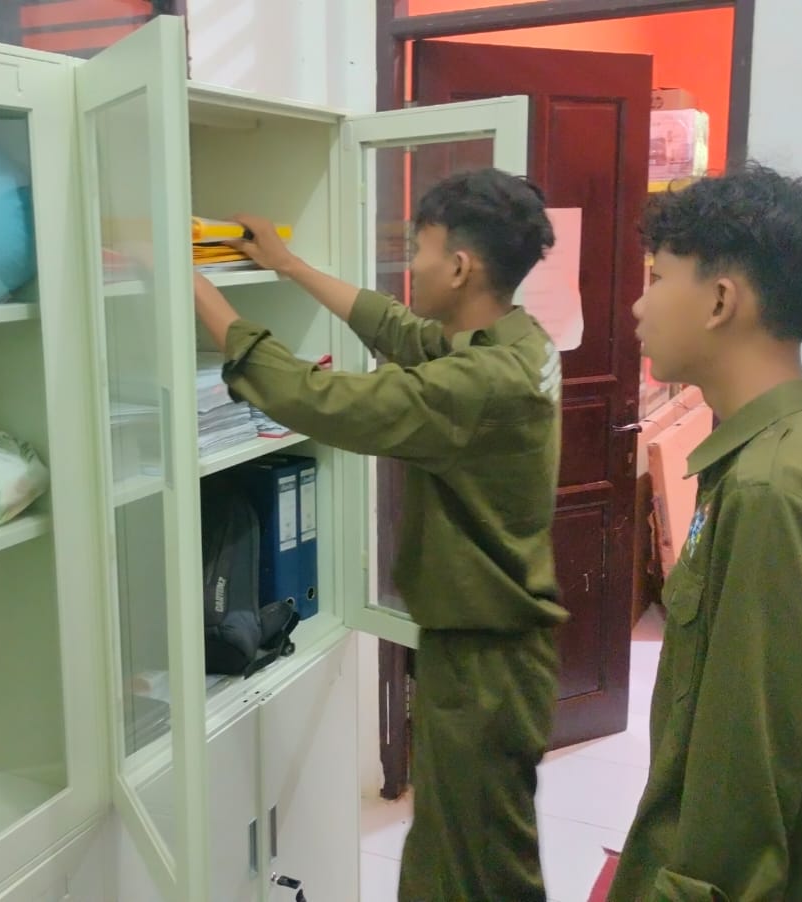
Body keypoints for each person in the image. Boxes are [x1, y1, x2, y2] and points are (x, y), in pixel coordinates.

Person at [191, 167, 563, 902]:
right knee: (454, 851)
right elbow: (398, 329)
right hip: (490, 648)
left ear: (460, 266)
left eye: (421, 251)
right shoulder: (515, 340)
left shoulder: (484, 382)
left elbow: (318, 398)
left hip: (486, 662)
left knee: (483, 870)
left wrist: (193, 283)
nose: (410, 266)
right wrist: (289, 265)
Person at [609, 163, 802, 901]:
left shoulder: (768, 487)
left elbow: (745, 776)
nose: (638, 304)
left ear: (720, 301)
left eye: (656, 278)